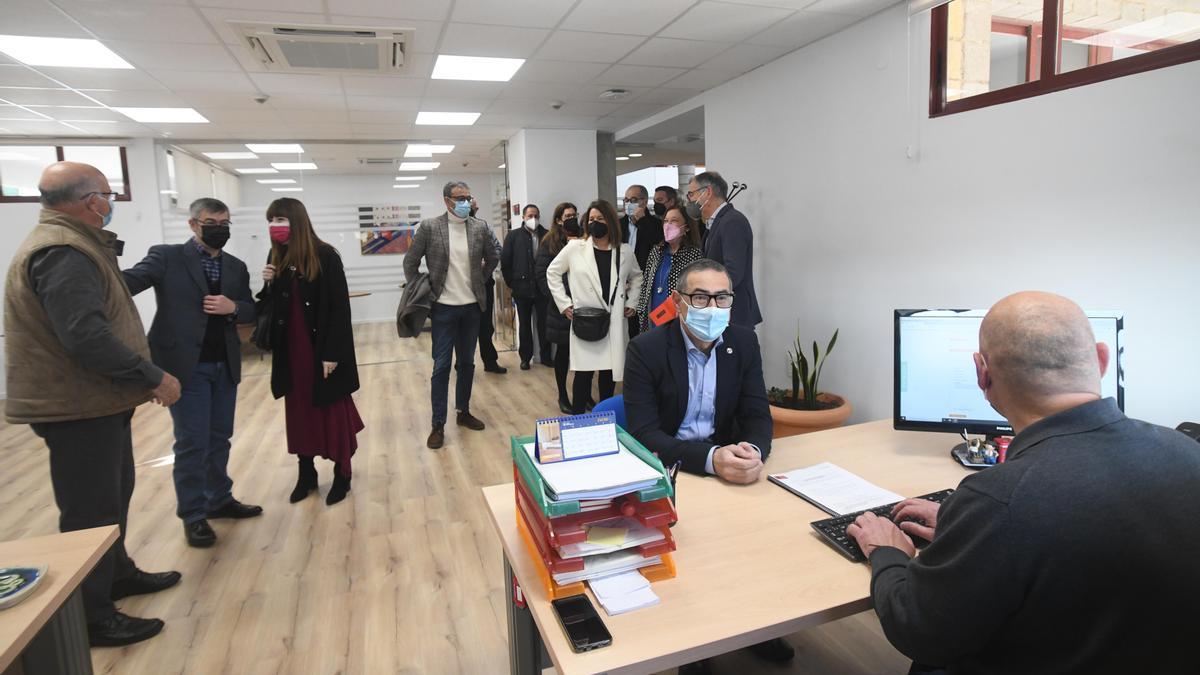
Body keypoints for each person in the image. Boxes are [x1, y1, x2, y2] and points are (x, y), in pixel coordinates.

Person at [847, 291, 1200, 675]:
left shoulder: (1001, 498)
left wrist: (886, 553)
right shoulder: (1186, 451)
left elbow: (918, 631)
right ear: (1101, 359)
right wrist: (966, 525)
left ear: (981, 372)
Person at [4, 161, 182, 647]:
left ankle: (116, 573)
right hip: (76, 405)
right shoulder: (62, 251)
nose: (111, 202)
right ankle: (92, 615)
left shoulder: (76, 245)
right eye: (108, 194)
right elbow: (85, 336)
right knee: (90, 514)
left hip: (95, 402)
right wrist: (152, 375)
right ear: (89, 201)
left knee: (113, 496)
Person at [624, 259, 789, 669]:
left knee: (757, 548)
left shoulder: (744, 342)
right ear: (678, 302)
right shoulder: (646, 349)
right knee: (692, 556)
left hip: (728, 464)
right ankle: (694, 645)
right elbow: (646, 435)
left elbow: (757, 415)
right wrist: (713, 460)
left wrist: (752, 451)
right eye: (700, 297)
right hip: (673, 471)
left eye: (721, 297)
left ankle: (758, 625)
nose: (712, 306)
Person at [123, 198, 263, 548]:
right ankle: (194, 515)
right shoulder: (166, 257)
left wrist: (234, 309)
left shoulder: (235, 266)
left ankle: (219, 498)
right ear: (193, 224)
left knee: (219, 438)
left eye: (225, 223)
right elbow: (128, 283)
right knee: (192, 442)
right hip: (185, 367)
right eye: (212, 222)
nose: (220, 229)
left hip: (225, 365)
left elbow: (249, 307)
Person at [260, 198, 363, 505]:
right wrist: (268, 284)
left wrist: (332, 354)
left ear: (296, 220)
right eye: (271, 220)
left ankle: (342, 474)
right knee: (299, 413)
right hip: (290, 353)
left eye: (280, 219)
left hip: (319, 351)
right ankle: (306, 473)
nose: (275, 226)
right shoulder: (275, 256)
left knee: (330, 411)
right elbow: (272, 308)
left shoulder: (325, 255)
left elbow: (338, 310)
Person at [404, 181, 499, 449]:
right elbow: (410, 261)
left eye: (468, 197)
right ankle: (437, 424)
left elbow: (494, 256)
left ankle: (463, 412)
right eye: (460, 198)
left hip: (471, 307)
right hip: (443, 307)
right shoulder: (430, 227)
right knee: (442, 366)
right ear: (447, 201)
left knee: (467, 363)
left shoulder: (479, 227)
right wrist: (422, 290)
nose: (466, 202)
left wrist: (480, 278)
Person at [546, 199, 642, 414]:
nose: (595, 223)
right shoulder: (575, 248)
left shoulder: (624, 251)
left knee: (608, 375)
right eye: (591, 219)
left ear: (610, 221)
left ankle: (604, 421)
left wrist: (632, 303)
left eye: (600, 219)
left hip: (614, 322)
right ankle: (579, 421)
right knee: (583, 374)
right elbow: (552, 272)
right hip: (586, 320)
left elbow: (638, 277)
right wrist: (564, 304)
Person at [687, 171, 761, 328]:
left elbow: (733, 273)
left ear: (707, 192)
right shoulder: (715, 223)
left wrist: (703, 295)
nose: (690, 200)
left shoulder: (732, 222)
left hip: (732, 314)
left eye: (691, 194)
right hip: (718, 311)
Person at [535, 202, 581, 414]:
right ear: (558, 220)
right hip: (561, 308)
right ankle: (563, 394)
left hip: (582, 305)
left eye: (574, 214)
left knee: (582, 353)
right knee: (563, 353)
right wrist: (559, 300)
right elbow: (543, 275)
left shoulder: (583, 239)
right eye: (567, 215)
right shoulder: (549, 243)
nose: (571, 218)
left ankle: (583, 393)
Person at [635, 205, 703, 334]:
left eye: (674, 221)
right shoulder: (656, 251)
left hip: (678, 319)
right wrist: (641, 310)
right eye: (666, 221)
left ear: (686, 227)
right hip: (652, 318)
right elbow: (646, 284)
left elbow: (695, 290)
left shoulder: (694, 254)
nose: (668, 225)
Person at [502, 203, 552, 370]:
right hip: (521, 288)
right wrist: (512, 284)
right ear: (523, 217)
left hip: (543, 289)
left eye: (536, 215)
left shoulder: (547, 235)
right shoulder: (513, 236)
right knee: (524, 325)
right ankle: (525, 358)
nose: (533, 219)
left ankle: (546, 357)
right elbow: (506, 263)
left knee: (544, 323)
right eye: (530, 216)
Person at [621, 184, 664, 339]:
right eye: (626, 200)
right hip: (622, 285)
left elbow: (658, 244)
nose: (628, 203)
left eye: (633, 200)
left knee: (642, 330)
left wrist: (642, 221)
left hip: (646, 284)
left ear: (644, 202)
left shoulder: (655, 225)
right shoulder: (619, 225)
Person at [473, 197, 507, 374]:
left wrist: (484, 268)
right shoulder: (450, 229)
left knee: (486, 327)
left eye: (474, 206)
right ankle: (463, 364)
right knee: (463, 329)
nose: (474, 208)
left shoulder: (484, 227)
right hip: (460, 286)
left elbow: (497, 250)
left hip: (484, 284)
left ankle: (490, 362)